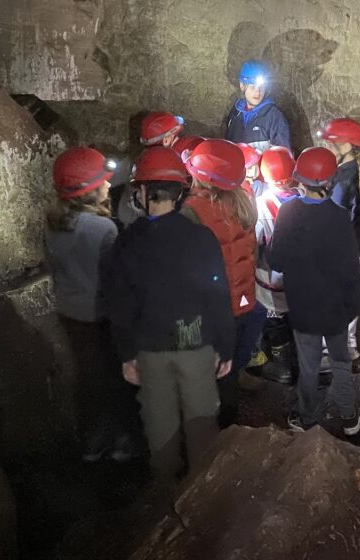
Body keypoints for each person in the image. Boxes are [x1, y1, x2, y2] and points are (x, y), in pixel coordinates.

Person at [103, 146, 235, 483]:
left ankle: (164, 504)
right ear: (180, 193)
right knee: (202, 428)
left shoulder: (128, 241)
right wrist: (227, 346)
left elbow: (119, 304)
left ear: (143, 191)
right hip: (197, 346)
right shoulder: (201, 238)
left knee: (160, 431)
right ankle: (204, 500)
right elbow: (218, 294)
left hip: (151, 351)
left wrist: (126, 354)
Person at [45, 147, 139, 462]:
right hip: (99, 316)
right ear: (89, 192)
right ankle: (118, 441)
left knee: (86, 375)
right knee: (113, 378)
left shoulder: (52, 224)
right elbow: (116, 279)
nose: (109, 185)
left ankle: (91, 441)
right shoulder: (103, 229)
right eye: (103, 182)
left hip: (69, 312)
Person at [267, 146, 360, 436]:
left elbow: (277, 261)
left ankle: (307, 418)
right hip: (335, 309)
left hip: (303, 307)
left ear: (299, 178)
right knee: (340, 362)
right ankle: (349, 417)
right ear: (330, 180)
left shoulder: (287, 212)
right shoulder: (338, 218)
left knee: (308, 366)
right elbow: (350, 269)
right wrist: (354, 305)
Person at [181, 139, 265, 427]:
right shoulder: (246, 199)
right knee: (227, 372)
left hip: (211, 311)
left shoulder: (192, 211)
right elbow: (250, 252)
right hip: (242, 302)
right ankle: (229, 428)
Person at [318, 118, 360, 360]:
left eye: (332, 144)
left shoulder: (342, 181)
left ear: (347, 146)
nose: (328, 148)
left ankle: (329, 354)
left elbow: (333, 218)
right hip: (355, 249)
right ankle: (348, 349)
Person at [248, 146, 299, 384]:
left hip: (270, 280)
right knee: (292, 320)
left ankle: (283, 367)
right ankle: (298, 361)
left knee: (274, 322)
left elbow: (254, 242)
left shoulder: (261, 204)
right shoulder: (303, 198)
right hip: (299, 280)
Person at [116, 110, 185, 227]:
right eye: (175, 136)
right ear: (166, 139)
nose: (178, 139)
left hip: (131, 221)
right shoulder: (172, 164)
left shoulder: (134, 159)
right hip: (150, 222)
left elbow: (112, 179)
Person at [224, 60, 291, 152]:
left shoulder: (274, 117)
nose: (258, 92)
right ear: (242, 86)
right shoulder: (235, 113)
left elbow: (284, 157)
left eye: (261, 87)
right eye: (252, 87)